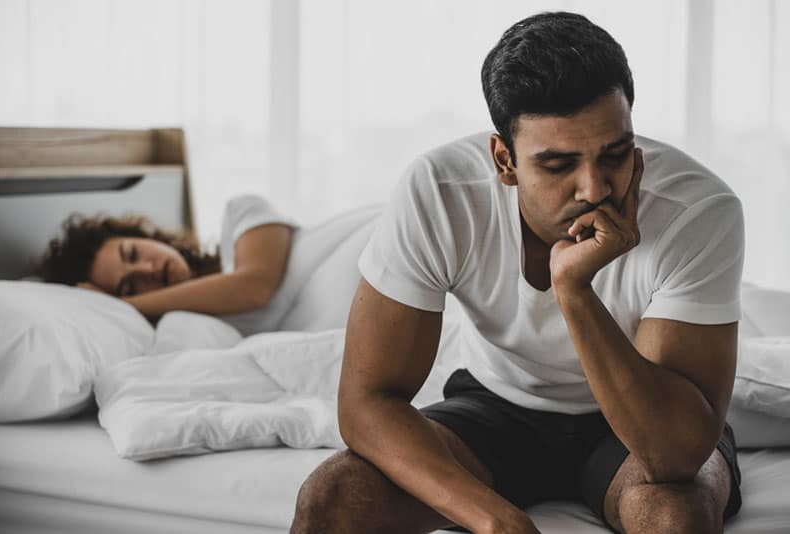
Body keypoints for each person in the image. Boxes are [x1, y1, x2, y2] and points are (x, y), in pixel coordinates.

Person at [291, 11, 744, 534]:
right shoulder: (441, 192)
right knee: (334, 497)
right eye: (558, 165)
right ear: (504, 160)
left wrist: (573, 290)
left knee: (675, 518)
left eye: (615, 154)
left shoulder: (698, 209)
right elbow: (366, 404)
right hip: (497, 411)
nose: (595, 189)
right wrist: (495, 520)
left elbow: (674, 455)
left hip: (636, 427)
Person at [39, 195, 296, 322]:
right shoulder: (194, 333)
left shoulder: (241, 214)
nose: (146, 270)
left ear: (146, 236)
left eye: (133, 253)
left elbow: (255, 288)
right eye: (130, 286)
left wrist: (122, 304)